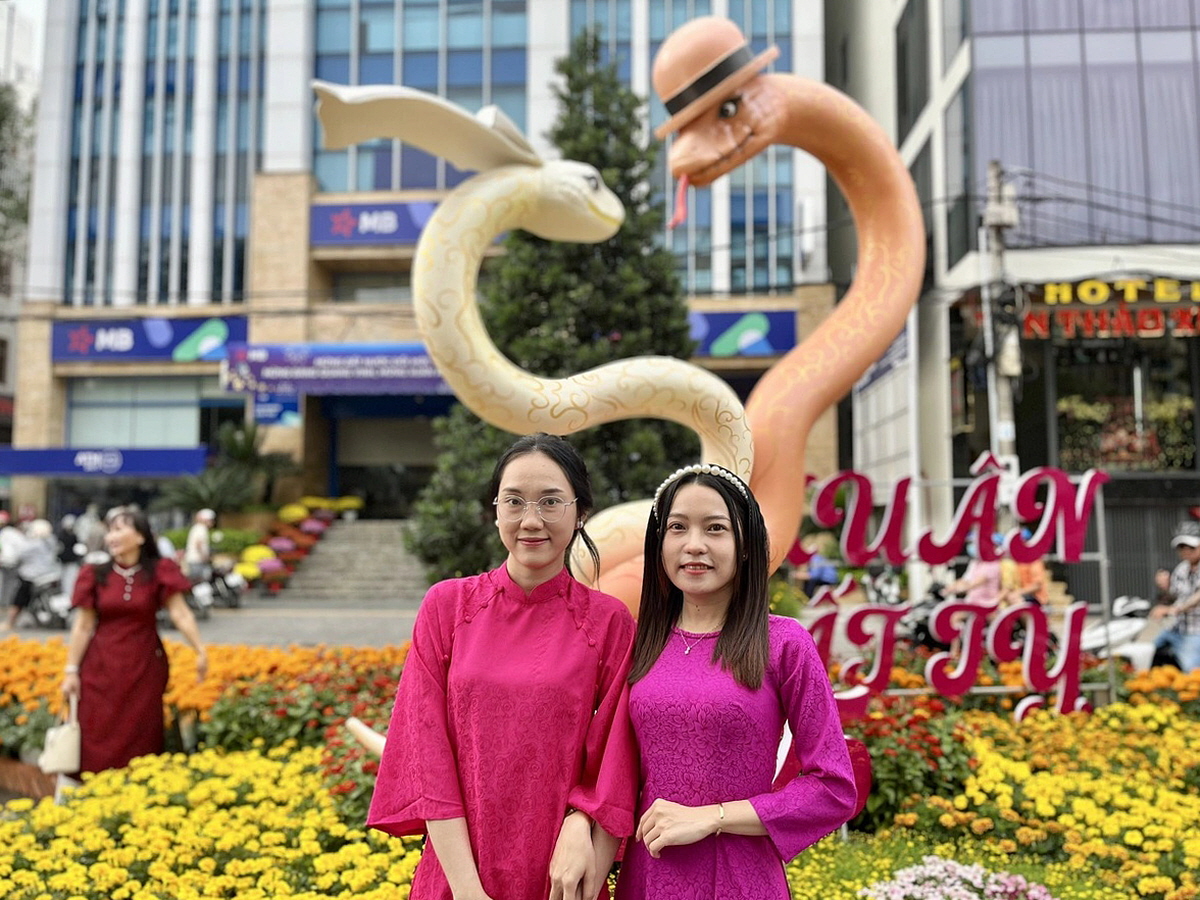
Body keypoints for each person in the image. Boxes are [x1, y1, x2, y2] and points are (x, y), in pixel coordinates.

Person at [367, 433, 638, 900]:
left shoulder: (609, 622)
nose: (530, 520)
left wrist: (582, 819)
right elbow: (427, 756)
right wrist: (468, 891)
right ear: (495, 511)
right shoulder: (447, 607)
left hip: (560, 877)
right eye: (514, 501)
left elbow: (617, 758)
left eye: (550, 502)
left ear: (581, 512)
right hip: (456, 875)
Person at [614, 463, 856, 900]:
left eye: (715, 528)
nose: (694, 545)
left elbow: (833, 788)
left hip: (738, 879)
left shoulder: (783, 643)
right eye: (678, 527)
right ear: (659, 542)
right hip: (647, 876)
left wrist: (713, 817)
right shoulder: (638, 643)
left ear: (745, 545)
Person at [60, 506, 208, 774]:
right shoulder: (95, 573)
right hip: (99, 666)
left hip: (145, 665)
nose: (111, 537)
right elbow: (83, 625)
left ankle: (138, 784)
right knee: (96, 726)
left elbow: (181, 614)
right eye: (110, 531)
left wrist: (200, 651)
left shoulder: (160, 570)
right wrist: (71, 670)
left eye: (119, 530)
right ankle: (93, 788)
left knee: (142, 727)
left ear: (140, 536)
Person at [1150, 529, 1200, 673]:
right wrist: (1165, 587)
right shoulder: (1182, 569)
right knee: (1149, 654)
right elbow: (1175, 596)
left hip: (1196, 631)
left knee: (1191, 672)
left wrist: (1172, 610)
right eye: (1182, 547)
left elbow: (1197, 598)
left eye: (1191, 547)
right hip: (1176, 628)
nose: (1186, 551)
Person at [3, 519, 60, 631]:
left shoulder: (34, 544)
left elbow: (17, 555)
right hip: (52, 574)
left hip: (32, 576)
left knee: (19, 599)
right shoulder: (51, 541)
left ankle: (10, 622)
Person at [0, 510, 27, 628]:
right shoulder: (12, 533)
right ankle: (6, 604)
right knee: (9, 584)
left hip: (9, 561)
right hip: (12, 561)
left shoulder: (6, 533)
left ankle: (6, 604)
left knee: (8, 584)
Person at [183, 508, 216, 581]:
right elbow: (198, 544)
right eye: (211, 520)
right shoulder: (201, 529)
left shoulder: (197, 528)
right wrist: (205, 558)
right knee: (200, 582)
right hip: (197, 561)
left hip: (195, 561)